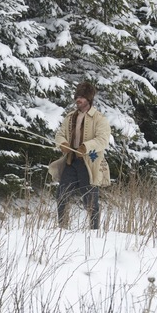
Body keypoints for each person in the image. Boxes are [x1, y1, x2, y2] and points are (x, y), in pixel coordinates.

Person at [48, 81, 111, 229]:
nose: (78, 100)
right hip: (71, 162)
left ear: (89, 99)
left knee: (90, 201)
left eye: (82, 97)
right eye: (77, 96)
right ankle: (62, 228)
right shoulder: (70, 117)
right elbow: (60, 134)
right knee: (61, 195)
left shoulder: (100, 118)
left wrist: (86, 147)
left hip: (89, 163)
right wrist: (63, 144)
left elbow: (103, 140)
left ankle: (94, 232)